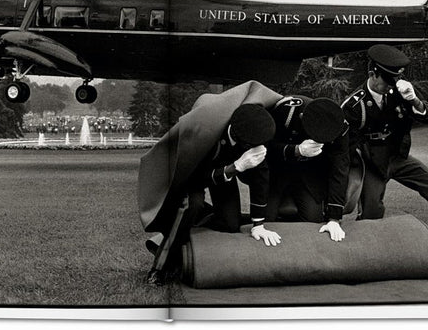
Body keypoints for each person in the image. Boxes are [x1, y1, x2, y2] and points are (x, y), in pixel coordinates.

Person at [138, 81, 282, 285]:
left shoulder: (254, 135)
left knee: (230, 224)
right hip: (193, 172)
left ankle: (197, 221)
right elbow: (194, 177)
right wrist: (236, 167)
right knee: (190, 206)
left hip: (226, 171)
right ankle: (160, 267)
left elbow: (261, 181)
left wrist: (259, 225)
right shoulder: (207, 134)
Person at [341, 44, 428, 240]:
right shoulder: (354, 105)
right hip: (371, 162)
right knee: (371, 212)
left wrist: (414, 100)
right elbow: (345, 145)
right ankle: (368, 252)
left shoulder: (399, 93)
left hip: (398, 156)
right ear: (372, 74)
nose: (390, 86)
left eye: (394, 81)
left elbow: (427, 116)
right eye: (386, 81)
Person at [265, 96, 351, 242]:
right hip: (278, 171)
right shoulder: (286, 111)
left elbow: (340, 170)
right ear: (302, 117)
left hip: (311, 174)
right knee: (266, 221)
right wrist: (295, 150)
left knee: (313, 222)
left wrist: (334, 219)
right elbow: (266, 148)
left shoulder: (340, 127)